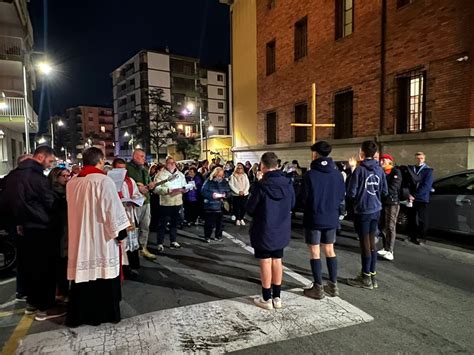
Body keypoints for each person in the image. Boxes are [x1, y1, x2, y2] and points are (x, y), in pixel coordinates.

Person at [66, 148, 130, 327]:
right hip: (101, 238)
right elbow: (113, 210)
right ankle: (104, 314)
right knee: (103, 274)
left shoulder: (72, 182)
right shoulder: (104, 181)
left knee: (83, 276)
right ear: (100, 161)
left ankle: (79, 316)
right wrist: (121, 232)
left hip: (79, 237)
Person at [2, 146, 65, 320]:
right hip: (42, 229)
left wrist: (16, 223)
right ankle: (45, 308)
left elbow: (5, 204)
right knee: (45, 270)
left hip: (23, 230)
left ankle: (33, 304)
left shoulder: (12, 177)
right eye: (50, 161)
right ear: (41, 157)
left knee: (30, 269)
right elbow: (50, 202)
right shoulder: (36, 178)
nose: (49, 165)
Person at [246, 152, 295, 310]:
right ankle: (277, 297)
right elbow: (292, 203)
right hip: (281, 227)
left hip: (263, 228)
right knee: (277, 260)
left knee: (265, 262)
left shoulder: (260, 185)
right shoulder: (288, 183)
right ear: (277, 165)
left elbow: (250, 209)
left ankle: (266, 298)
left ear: (262, 166)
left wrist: (258, 183)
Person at [302, 141, 345, 299]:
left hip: (314, 217)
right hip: (331, 217)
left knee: (315, 252)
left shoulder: (310, 175)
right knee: (330, 250)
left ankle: (318, 287)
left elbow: (304, 199)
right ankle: (333, 285)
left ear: (315, 155)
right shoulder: (337, 174)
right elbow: (341, 196)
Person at [347, 141, 388, 290]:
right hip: (376, 209)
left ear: (362, 153)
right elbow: (384, 191)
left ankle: (365, 277)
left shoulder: (359, 170)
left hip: (363, 209)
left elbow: (351, 193)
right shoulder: (380, 170)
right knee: (372, 243)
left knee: (365, 243)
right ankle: (372, 275)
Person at [112, 158, 144, 279]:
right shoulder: (110, 182)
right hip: (118, 216)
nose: (122, 172)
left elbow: (136, 194)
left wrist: (136, 199)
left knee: (131, 242)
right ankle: (123, 268)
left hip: (130, 212)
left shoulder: (130, 181)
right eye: (118, 169)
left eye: (123, 169)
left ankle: (131, 266)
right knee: (122, 243)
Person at [126, 149, 157, 261]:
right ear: (134, 156)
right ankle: (132, 249)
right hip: (134, 203)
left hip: (146, 201)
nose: (144, 159)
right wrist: (138, 188)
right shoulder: (127, 168)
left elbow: (147, 183)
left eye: (144, 156)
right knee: (134, 227)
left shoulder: (144, 169)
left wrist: (150, 185)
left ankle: (143, 247)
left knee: (145, 226)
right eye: (141, 156)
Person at [153, 156, 187, 252]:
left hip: (177, 202)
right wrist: (168, 190)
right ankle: (160, 242)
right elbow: (156, 189)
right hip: (166, 203)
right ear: (166, 164)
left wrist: (185, 189)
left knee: (175, 223)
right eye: (170, 163)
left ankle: (173, 241)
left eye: (173, 162)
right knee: (163, 224)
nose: (172, 164)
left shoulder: (180, 175)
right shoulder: (160, 175)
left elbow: (184, 185)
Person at [48, 167, 71, 303]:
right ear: (57, 177)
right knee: (61, 261)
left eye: (69, 175)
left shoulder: (64, 190)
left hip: (63, 229)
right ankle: (62, 292)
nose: (67, 178)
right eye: (65, 176)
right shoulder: (55, 192)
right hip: (59, 231)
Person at [377, 154, 402, 261]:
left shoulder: (395, 172)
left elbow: (394, 187)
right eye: (381, 160)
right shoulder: (381, 172)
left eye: (384, 160)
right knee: (382, 226)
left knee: (390, 226)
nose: (381, 161)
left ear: (390, 161)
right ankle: (385, 247)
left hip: (392, 202)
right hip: (382, 202)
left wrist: (382, 192)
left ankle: (390, 250)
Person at [407, 152, 434, 245]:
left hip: (422, 198)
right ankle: (412, 236)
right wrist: (409, 194)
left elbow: (426, 186)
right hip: (411, 198)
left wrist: (414, 195)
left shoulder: (428, 170)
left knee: (422, 219)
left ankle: (422, 237)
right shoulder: (411, 169)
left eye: (421, 158)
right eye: (418, 158)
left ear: (424, 159)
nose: (419, 160)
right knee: (411, 218)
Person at [201, 167, 231, 242]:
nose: (220, 177)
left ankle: (218, 236)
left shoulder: (224, 182)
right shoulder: (209, 181)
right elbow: (203, 191)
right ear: (215, 174)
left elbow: (229, 191)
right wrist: (212, 195)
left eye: (221, 175)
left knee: (220, 223)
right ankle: (207, 236)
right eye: (219, 175)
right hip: (210, 205)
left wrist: (225, 194)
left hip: (220, 205)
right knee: (209, 223)